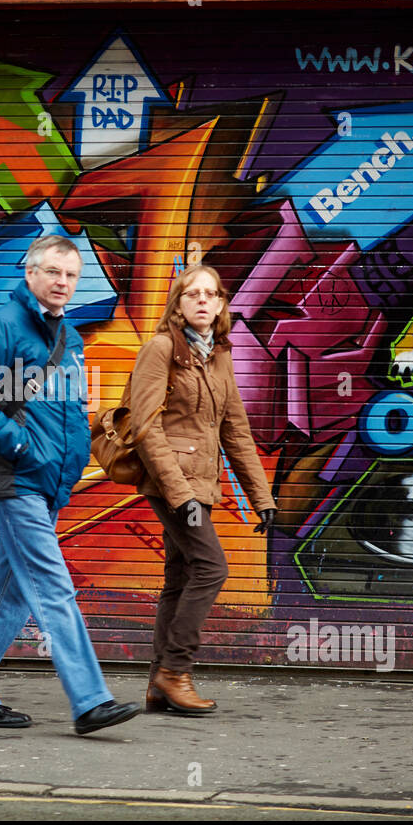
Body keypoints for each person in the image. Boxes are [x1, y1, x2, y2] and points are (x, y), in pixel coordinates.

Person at [0, 233, 140, 735]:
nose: (62, 282)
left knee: (8, 596)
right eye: (53, 271)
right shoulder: (2, 326)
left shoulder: (69, 338)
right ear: (30, 273)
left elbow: (71, 410)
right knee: (53, 585)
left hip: (51, 481)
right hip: (15, 478)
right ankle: (90, 699)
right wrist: (18, 445)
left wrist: (75, 460)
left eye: (71, 275)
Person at [128, 264, 277, 714]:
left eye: (210, 293)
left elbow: (236, 430)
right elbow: (145, 426)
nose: (201, 300)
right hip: (172, 483)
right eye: (191, 293)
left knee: (180, 577)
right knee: (212, 569)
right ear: (178, 303)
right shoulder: (160, 349)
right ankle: (176, 670)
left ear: (220, 304)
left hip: (202, 486)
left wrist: (262, 496)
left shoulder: (219, 355)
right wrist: (182, 496)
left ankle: (158, 682)